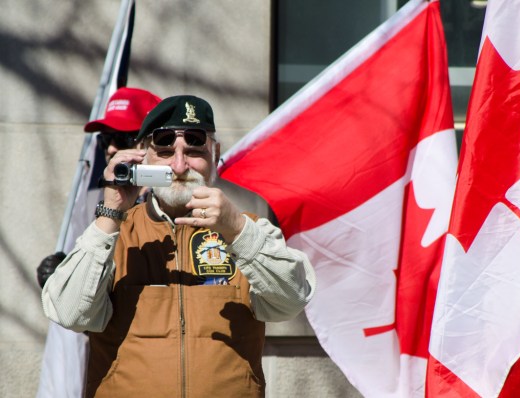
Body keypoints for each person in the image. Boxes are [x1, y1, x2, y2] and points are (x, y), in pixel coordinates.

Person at [42, 95, 316, 397]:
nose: (180, 164)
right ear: (142, 155)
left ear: (215, 154)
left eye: (195, 150)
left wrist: (237, 230)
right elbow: (69, 315)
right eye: (165, 151)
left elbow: (293, 300)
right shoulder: (114, 232)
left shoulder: (248, 229)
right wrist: (111, 212)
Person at [36, 87, 161, 398]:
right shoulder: (98, 197)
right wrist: (63, 275)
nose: (111, 148)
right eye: (106, 138)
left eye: (125, 137)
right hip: (107, 366)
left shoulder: (173, 202)